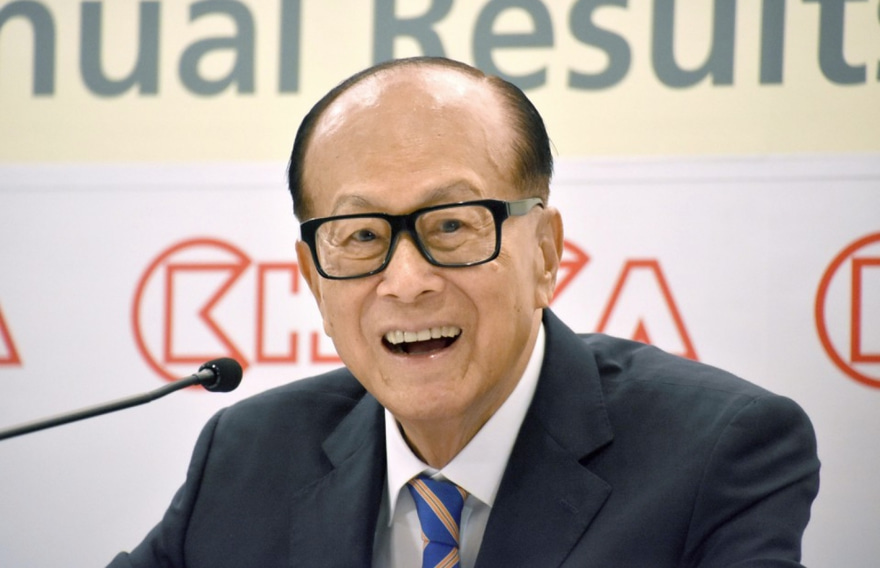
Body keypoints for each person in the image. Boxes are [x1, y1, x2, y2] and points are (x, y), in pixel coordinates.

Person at [108, 57, 820, 568]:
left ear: (545, 253)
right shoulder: (246, 457)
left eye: (451, 225)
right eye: (361, 236)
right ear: (314, 280)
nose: (406, 281)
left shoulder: (718, 453)